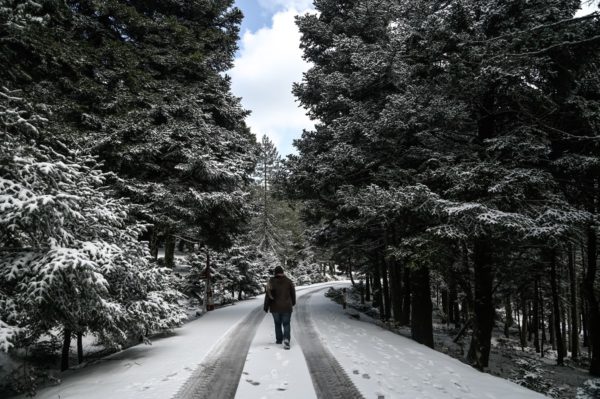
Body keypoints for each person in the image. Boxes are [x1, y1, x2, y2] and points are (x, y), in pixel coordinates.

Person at [263, 265, 296, 349]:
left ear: (275, 273)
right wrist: (293, 303)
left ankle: (279, 339)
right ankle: (286, 340)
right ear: (282, 272)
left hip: (275, 307)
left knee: (277, 324)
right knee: (286, 324)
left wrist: (266, 307)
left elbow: (267, 295)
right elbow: (293, 293)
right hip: (286, 307)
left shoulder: (271, 282)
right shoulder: (289, 281)